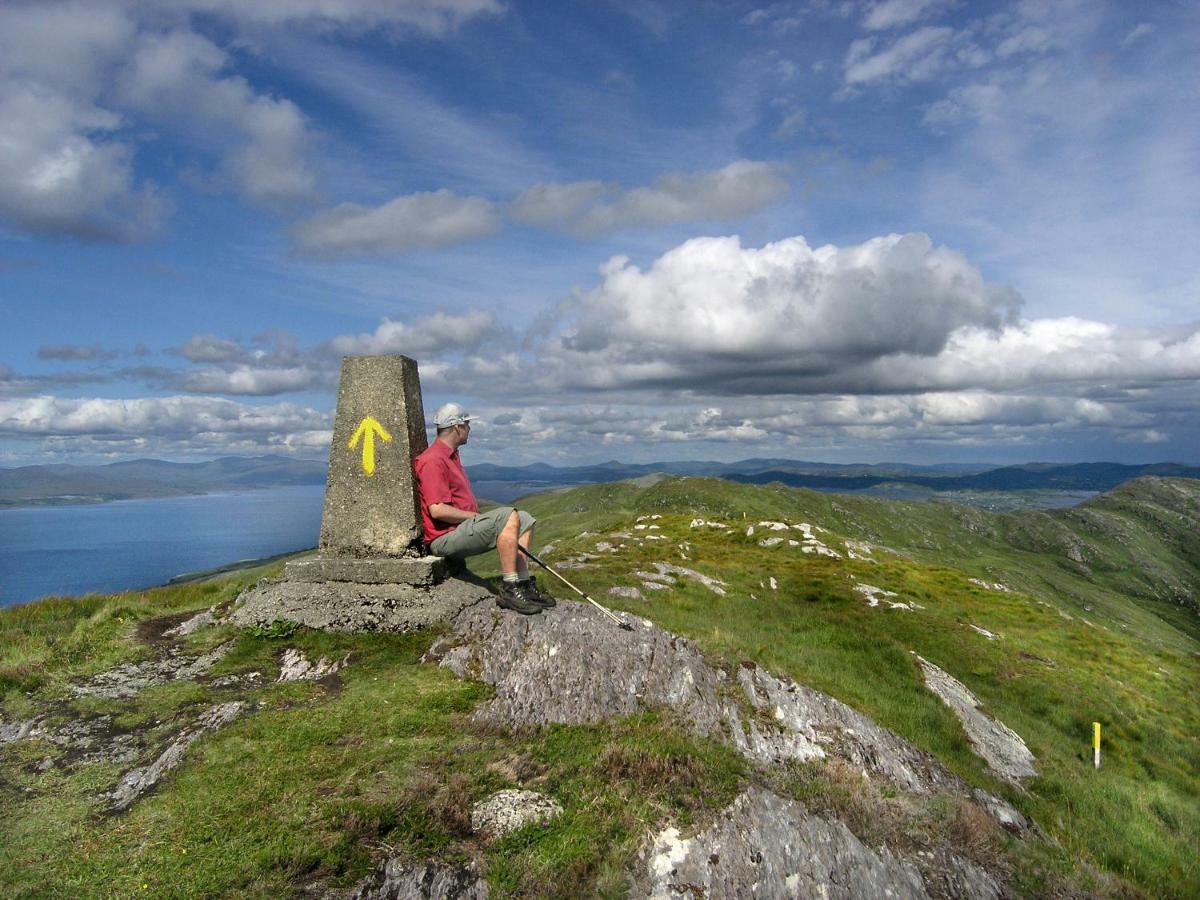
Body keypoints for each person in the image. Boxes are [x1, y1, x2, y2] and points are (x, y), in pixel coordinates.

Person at [413, 402, 555, 616]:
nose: (469, 428)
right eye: (467, 424)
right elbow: (438, 510)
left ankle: (523, 584)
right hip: (444, 538)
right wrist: (472, 516)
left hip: (460, 530)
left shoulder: (451, 455)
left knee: (524, 518)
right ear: (457, 427)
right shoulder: (433, 460)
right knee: (507, 516)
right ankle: (510, 587)